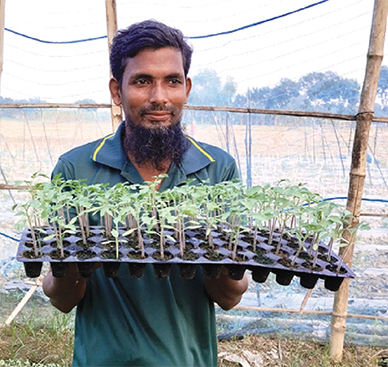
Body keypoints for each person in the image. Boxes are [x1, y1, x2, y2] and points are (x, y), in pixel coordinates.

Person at [42, 19, 249, 367]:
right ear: (115, 90)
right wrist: (76, 260)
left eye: (172, 81)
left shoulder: (217, 169)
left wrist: (217, 248)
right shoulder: (77, 169)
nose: (159, 98)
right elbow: (62, 298)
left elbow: (229, 296)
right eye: (142, 81)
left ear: (187, 88)